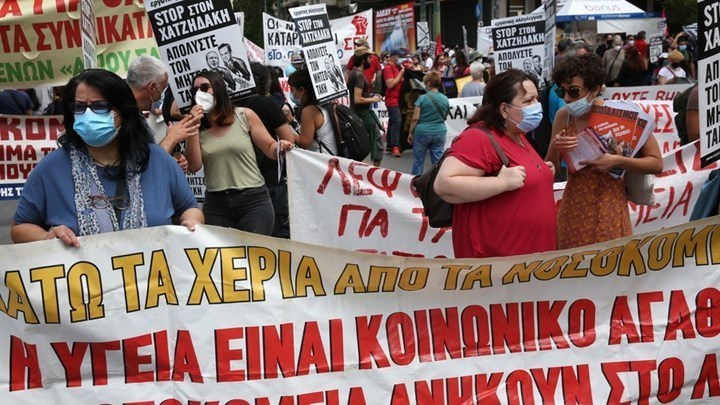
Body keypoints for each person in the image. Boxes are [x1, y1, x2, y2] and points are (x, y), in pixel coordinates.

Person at [11, 69, 203, 247]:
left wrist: (191, 223)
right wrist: (47, 237)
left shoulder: (157, 160)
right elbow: (20, 227)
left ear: (123, 111)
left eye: (100, 106)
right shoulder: (52, 168)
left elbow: (189, 209)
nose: (88, 115)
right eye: (79, 107)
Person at [433, 69, 557, 258]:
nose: (537, 106)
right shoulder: (478, 137)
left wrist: (541, 172)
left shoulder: (517, 134)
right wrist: (501, 183)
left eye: (536, 99)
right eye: (528, 101)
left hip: (532, 259)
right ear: (505, 109)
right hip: (500, 263)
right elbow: (444, 185)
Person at [545, 54, 662, 250]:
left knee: (612, 266)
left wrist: (617, 161)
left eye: (574, 91)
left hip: (611, 208)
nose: (566, 99)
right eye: (561, 91)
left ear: (595, 89)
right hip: (574, 211)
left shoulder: (625, 116)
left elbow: (656, 163)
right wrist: (555, 147)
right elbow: (551, 170)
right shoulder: (563, 117)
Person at [183, 71, 294, 235]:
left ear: (218, 89)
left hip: (253, 201)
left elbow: (269, 147)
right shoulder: (196, 126)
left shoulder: (244, 115)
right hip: (216, 204)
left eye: (205, 88)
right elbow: (194, 166)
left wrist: (279, 147)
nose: (199, 93)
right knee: (221, 251)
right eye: (195, 90)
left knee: (254, 250)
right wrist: (194, 126)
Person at [238, 62, 298, 239]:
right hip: (271, 176)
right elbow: (289, 139)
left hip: (242, 178)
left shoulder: (233, 106)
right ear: (267, 82)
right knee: (279, 234)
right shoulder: (267, 103)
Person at [347, 46, 384, 166]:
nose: (371, 60)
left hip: (357, 114)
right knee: (377, 147)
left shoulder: (353, 73)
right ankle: (375, 174)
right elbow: (357, 99)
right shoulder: (359, 75)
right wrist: (374, 99)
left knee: (361, 147)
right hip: (363, 115)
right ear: (363, 59)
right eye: (369, 57)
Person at [408, 71, 449, 176]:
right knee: (437, 161)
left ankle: (416, 181)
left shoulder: (422, 98)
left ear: (429, 83)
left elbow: (415, 118)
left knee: (418, 161)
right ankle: (436, 182)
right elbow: (445, 116)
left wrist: (410, 133)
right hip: (439, 131)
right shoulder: (445, 99)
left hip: (422, 132)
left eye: (425, 83)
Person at [289, 68, 338, 155]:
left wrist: (285, 131)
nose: (292, 94)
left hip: (321, 159)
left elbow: (305, 143)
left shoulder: (309, 111)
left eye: (292, 89)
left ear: (302, 90)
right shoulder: (325, 103)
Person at [383, 49, 405, 157]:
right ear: (393, 57)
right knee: (397, 121)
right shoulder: (388, 68)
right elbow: (390, 84)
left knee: (393, 121)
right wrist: (401, 74)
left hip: (397, 99)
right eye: (400, 56)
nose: (401, 59)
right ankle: (395, 146)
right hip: (392, 100)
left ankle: (389, 144)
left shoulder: (396, 67)